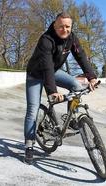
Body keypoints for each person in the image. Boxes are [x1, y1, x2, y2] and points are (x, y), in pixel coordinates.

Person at [24, 12, 98, 164]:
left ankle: (73, 119)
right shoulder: (46, 40)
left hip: (54, 71)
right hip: (36, 74)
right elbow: (47, 67)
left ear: (71, 27)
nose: (64, 30)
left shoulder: (71, 38)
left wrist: (91, 77)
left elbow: (81, 56)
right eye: (61, 27)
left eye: (67, 27)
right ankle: (29, 145)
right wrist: (53, 92)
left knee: (76, 85)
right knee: (33, 109)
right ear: (54, 25)